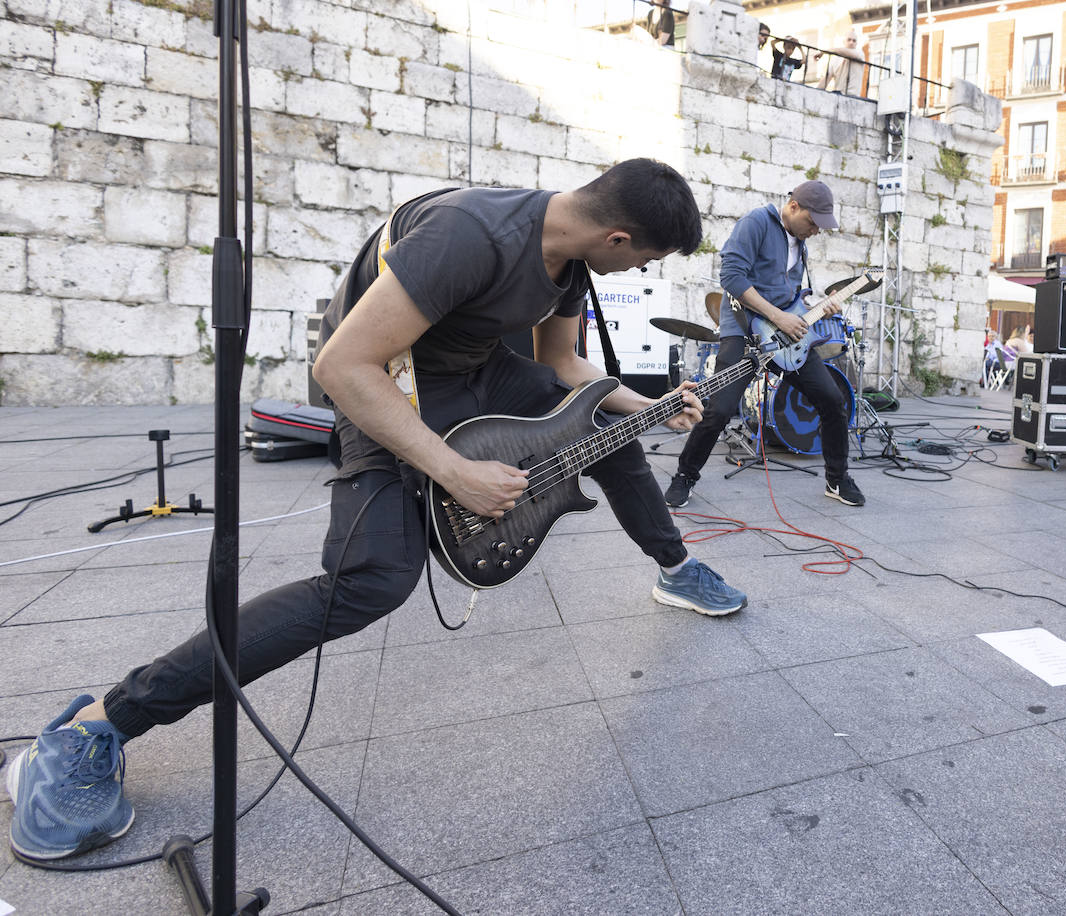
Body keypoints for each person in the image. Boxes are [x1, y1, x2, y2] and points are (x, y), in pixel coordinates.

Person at [5, 159, 749, 862]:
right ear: (617, 237)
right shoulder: (471, 235)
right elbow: (342, 365)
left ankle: (675, 568)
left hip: (475, 376)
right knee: (370, 582)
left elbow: (562, 366)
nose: (639, 272)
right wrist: (454, 471)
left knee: (604, 426)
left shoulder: (571, 257)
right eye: (644, 260)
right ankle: (99, 725)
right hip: (384, 385)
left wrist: (649, 406)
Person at [663, 181, 865, 509]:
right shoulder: (756, 222)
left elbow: (790, 296)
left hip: (788, 340)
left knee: (832, 399)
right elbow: (732, 277)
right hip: (744, 332)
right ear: (794, 206)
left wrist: (819, 306)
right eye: (812, 222)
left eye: (819, 227)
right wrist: (779, 317)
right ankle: (685, 476)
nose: (815, 231)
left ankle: (837, 478)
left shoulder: (801, 244)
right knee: (719, 410)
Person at [817, 30, 867, 95]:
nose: (851, 42)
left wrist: (826, 51)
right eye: (849, 40)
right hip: (837, 94)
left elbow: (847, 53)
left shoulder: (860, 53)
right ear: (843, 41)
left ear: (857, 43)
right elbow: (826, 78)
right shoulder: (835, 58)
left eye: (854, 40)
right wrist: (816, 92)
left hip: (852, 96)